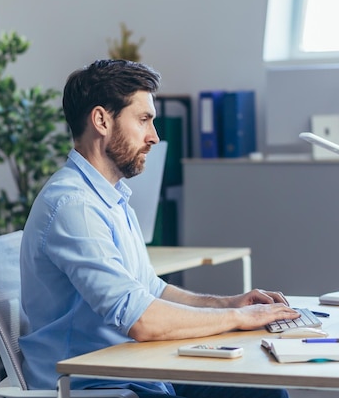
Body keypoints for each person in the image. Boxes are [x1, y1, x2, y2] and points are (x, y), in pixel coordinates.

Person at [19, 59, 298, 398]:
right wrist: (240, 318)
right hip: (96, 384)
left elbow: (150, 289)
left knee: (264, 391)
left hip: (135, 370)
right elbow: (142, 320)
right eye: (143, 120)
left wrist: (228, 305)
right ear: (101, 120)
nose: (154, 137)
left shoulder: (110, 196)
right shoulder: (74, 207)